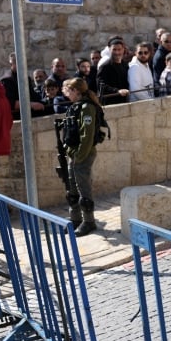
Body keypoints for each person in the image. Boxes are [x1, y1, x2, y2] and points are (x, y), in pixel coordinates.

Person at [60, 77, 102, 237]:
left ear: (76, 91)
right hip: (74, 153)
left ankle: (89, 221)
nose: (65, 92)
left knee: (83, 189)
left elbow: (87, 136)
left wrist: (79, 155)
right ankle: (75, 218)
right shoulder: (75, 107)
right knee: (72, 189)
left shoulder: (86, 108)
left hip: (83, 154)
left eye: (67, 89)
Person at [96, 38, 131, 105]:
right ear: (109, 50)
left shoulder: (125, 65)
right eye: (114, 50)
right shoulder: (104, 67)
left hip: (124, 102)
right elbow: (101, 86)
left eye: (119, 49)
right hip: (110, 103)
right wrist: (117, 91)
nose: (117, 52)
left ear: (123, 50)